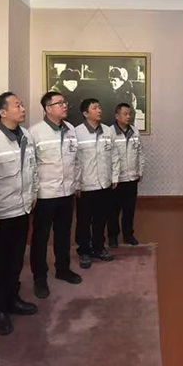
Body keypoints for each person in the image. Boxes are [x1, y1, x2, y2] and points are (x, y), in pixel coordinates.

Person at [0, 92, 39, 336]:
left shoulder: (26, 136)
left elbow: (32, 169)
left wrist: (33, 195)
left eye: (22, 104)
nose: (22, 108)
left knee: (15, 260)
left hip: (22, 209)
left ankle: (13, 299)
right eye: (17, 105)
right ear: (3, 112)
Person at [29, 91, 83, 301]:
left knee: (63, 234)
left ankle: (63, 269)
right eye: (59, 103)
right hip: (45, 194)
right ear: (47, 108)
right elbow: (31, 166)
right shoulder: (35, 132)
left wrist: (76, 183)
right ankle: (39, 277)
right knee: (41, 237)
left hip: (67, 192)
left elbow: (75, 159)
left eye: (64, 102)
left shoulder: (70, 129)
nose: (64, 105)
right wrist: (33, 193)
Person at [75, 98, 120, 268]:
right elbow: (74, 160)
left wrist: (114, 177)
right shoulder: (77, 132)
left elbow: (114, 155)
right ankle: (84, 251)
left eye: (99, 107)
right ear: (85, 113)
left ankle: (99, 247)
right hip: (86, 185)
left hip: (104, 183)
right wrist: (76, 184)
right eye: (94, 108)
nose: (99, 110)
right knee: (84, 220)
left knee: (101, 219)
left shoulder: (108, 131)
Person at [107, 103, 144, 248]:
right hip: (116, 179)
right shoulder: (109, 132)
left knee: (129, 210)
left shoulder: (134, 131)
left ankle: (128, 234)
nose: (128, 117)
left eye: (130, 114)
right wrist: (112, 177)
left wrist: (140, 170)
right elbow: (107, 157)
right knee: (113, 211)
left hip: (132, 177)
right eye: (125, 114)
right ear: (117, 116)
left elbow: (140, 152)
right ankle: (112, 236)